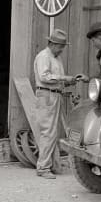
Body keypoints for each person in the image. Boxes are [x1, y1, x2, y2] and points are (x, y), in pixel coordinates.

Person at [33, 28, 83, 179]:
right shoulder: (44, 56)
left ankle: (50, 164)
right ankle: (43, 167)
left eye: (63, 46)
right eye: (60, 46)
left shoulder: (56, 58)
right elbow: (44, 77)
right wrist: (64, 78)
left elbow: (56, 80)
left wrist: (71, 81)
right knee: (48, 132)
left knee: (52, 133)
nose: (62, 49)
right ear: (52, 44)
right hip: (46, 95)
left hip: (53, 94)